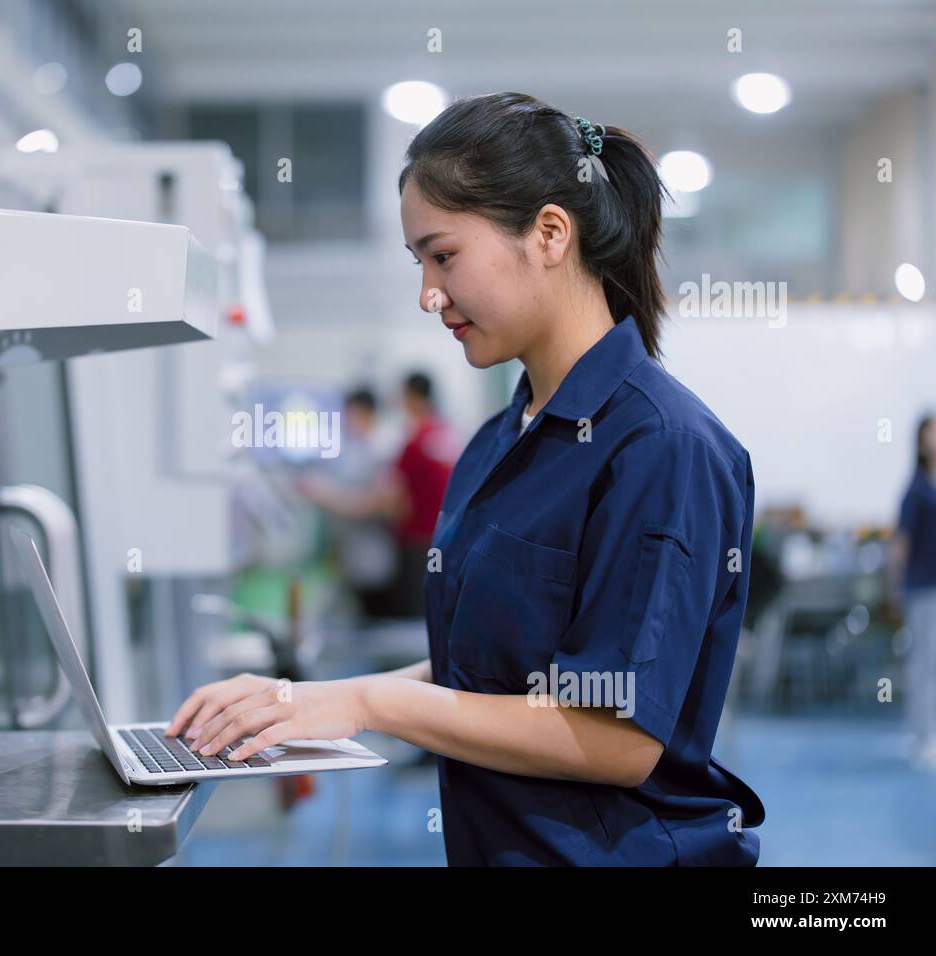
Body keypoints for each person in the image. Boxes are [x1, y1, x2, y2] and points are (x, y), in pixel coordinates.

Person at [167, 92, 765, 866]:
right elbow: (489, 670)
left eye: (444, 255)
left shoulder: (662, 447)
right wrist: (308, 701)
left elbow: (615, 737)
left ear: (550, 234)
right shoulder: (497, 442)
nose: (428, 294)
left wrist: (365, 700)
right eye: (419, 263)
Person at [300, 376, 458, 617]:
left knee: (404, 618)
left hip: (406, 550)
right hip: (435, 542)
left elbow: (388, 503)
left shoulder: (405, 443)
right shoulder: (443, 433)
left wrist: (329, 497)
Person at [888, 414, 936, 769]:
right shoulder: (915, 490)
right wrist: (895, 587)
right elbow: (900, 544)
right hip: (923, 589)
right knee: (924, 664)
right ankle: (923, 736)